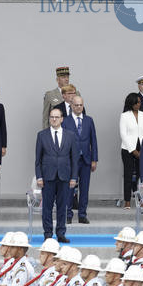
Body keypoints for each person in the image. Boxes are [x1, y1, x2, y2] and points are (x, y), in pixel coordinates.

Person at [35, 109, 78, 243]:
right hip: (47, 176)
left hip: (64, 176)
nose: (54, 119)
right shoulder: (42, 135)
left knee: (62, 206)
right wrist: (39, 177)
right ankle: (48, 233)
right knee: (47, 207)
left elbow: (74, 159)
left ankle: (60, 233)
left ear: (62, 119)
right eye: (52, 117)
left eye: (56, 117)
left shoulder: (70, 135)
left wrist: (74, 177)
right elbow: (38, 159)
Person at [61, 95, 97, 224]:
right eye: (76, 105)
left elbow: (94, 140)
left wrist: (94, 159)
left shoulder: (89, 120)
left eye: (80, 105)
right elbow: (63, 142)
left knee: (85, 188)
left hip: (86, 159)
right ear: (71, 106)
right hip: (71, 160)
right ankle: (68, 214)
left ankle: (82, 215)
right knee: (69, 188)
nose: (78, 107)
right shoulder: (65, 121)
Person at [119, 93, 143, 209]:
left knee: (142, 175)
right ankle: (127, 201)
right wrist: (133, 151)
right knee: (128, 175)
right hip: (128, 149)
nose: (139, 104)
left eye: (139, 102)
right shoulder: (124, 116)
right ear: (131, 103)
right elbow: (123, 134)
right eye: (137, 102)